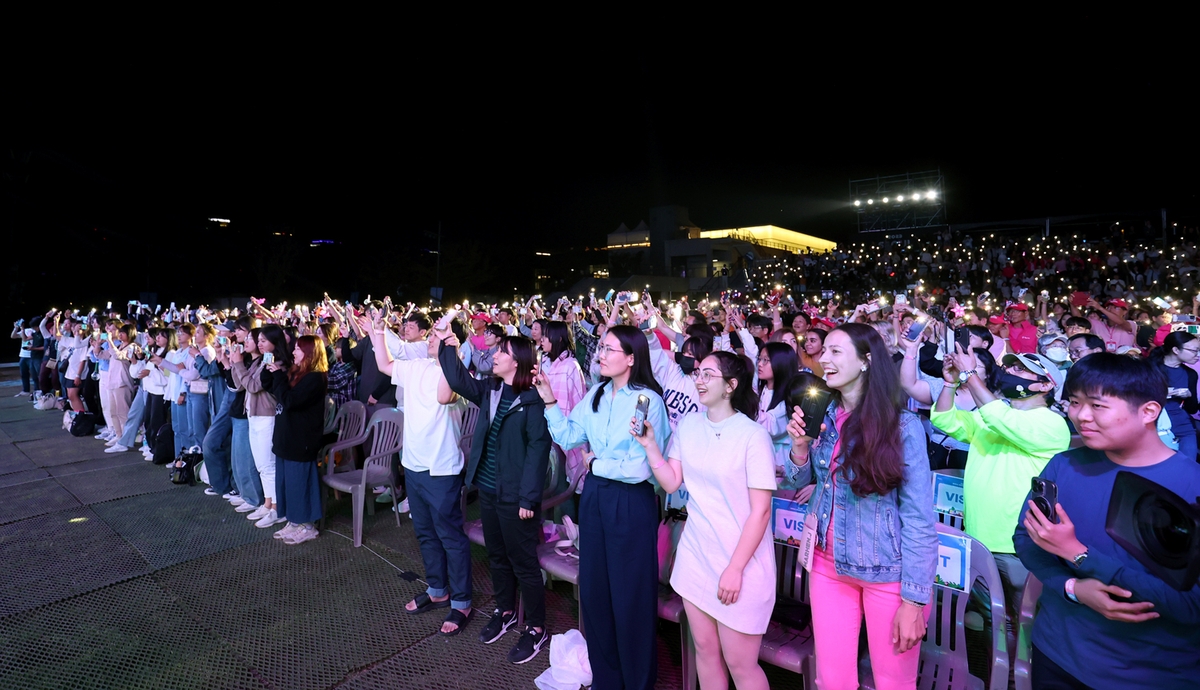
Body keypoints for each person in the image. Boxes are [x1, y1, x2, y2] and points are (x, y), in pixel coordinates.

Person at [1014, 353, 1200, 688]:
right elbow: (1026, 539)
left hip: (1153, 673)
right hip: (1057, 654)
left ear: (1149, 411)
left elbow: (1191, 605)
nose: (1081, 416)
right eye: (1073, 402)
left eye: (1098, 406)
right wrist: (1072, 588)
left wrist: (1079, 555)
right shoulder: (1065, 466)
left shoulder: (1191, 486)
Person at [786, 323, 938, 690]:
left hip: (887, 571)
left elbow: (919, 519)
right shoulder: (823, 416)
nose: (825, 358)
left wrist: (914, 600)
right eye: (825, 352)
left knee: (893, 683)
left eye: (836, 351)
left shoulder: (902, 426)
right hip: (826, 563)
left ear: (867, 361)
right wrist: (800, 448)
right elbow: (798, 483)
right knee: (831, 680)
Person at [535, 324, 670, 690]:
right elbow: (566, 436)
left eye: (610, 349)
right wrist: (549, 401)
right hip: (594, 498)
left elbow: (641, 467)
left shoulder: (647, 402)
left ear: (631, 358)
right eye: (601, 348)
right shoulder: (595, 395)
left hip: (631, 501)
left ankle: (637, 681)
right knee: (596, 592)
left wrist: (596, 464)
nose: (601, 354)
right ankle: (607, 680)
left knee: (631, 595)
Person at [635, 351, 775, 690]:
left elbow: (762, 511)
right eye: (697, 372)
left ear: (730, 386)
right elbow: (671, 482)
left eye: (707, 374)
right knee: (705, 652)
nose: (698, 379)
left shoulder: (752, 435)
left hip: (741, 562)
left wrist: (735, 568)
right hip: (696, 555)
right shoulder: (689, 425)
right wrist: (650, 445)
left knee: (741, 666)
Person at [932, 349, 1071, 624]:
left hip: (1017, 543)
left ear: (1045, 385)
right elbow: (944, 419)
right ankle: (1000, 668)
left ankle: (1025, 667)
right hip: (979, 536)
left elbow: (1000, 419)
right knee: (993, 619)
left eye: (1021, 370)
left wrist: (970, 375)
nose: (1011, 374)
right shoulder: (993, 414)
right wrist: (950, 383)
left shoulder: (1053, 423)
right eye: (1010, 369)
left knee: (1025, 620)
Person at [438, 326, 552, 662]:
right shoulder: (491, 389)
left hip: (516, 497)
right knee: (498, 556)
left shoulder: (533, 400)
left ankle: (536, 627)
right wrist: (448, 343)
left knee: (524, 563)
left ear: (516, 363)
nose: (495, 356)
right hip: (488, 489)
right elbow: (459, 381)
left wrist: (529, 499)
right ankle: (505, 611)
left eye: (502, 352)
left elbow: (538, 450)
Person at [363, 315, 474, 637]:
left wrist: (449, 351)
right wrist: (378, 330)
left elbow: (443, 396)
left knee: (450, 537)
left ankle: (463, 600)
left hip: (441, 469)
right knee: (425, 532)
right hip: (413, 464)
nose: (430, 341)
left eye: (438, 338)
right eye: (431, 338)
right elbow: (384, 363)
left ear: (452, 344)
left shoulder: (456, 376)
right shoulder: (415, 368)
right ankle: (438, 589)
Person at [263, 335, 328, 544]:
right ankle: (293, 520)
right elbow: (271, 388)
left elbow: (289, 401)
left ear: (310, 353)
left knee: (299, 482)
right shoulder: (297, 373)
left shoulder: (315, 378)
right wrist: (270, 369)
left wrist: (280, 377)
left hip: (301, 439)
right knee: (286, 483)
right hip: (286, 436)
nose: (293, 352)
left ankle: (307, 525)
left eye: (299, 349)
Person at [1149, 331, 1199, 460]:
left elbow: (1192, 409)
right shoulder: (1148, 368)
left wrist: (1189, 396)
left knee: (1189, 466)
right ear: (1176, 350)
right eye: (1194, 351)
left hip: (1182, 425)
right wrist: (1163, 393)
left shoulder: (1190, 374)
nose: (1198, 355)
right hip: (1152, 425)